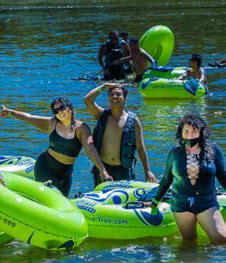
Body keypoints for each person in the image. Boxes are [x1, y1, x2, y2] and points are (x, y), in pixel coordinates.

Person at [0, 98, 112, 197]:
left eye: (62, 107)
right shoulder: (52, 123)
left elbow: (89, 148)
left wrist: (102, 170)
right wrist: (10, 112)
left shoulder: (81, 128)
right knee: (47, 196)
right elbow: (29, 117)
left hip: (65, 173)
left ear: (70, 107)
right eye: (56, 110)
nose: (60, 112)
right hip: (45, 166)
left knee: (62, 201)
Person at [151, 114, 226, 245]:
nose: (190, 135)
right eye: (186, 131)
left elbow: (223, 177)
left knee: (221, 239)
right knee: (189, 242)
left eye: (194, 131)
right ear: (181, 132)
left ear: (201, 133)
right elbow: (166, 179)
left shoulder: (213, 150)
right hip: (181, 203)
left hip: (206, 202)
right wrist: (155, 201)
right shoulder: (174, 152)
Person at [84, 83, 157, 187]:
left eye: (118, 94)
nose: (114, 97)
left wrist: (147, 171)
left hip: (124, 170)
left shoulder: (134, 121)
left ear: (125, 98)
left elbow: (140, 148)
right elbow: (87, 100)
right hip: (103, 168)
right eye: (111, 94)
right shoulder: (101, 115)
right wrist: (104, 85)